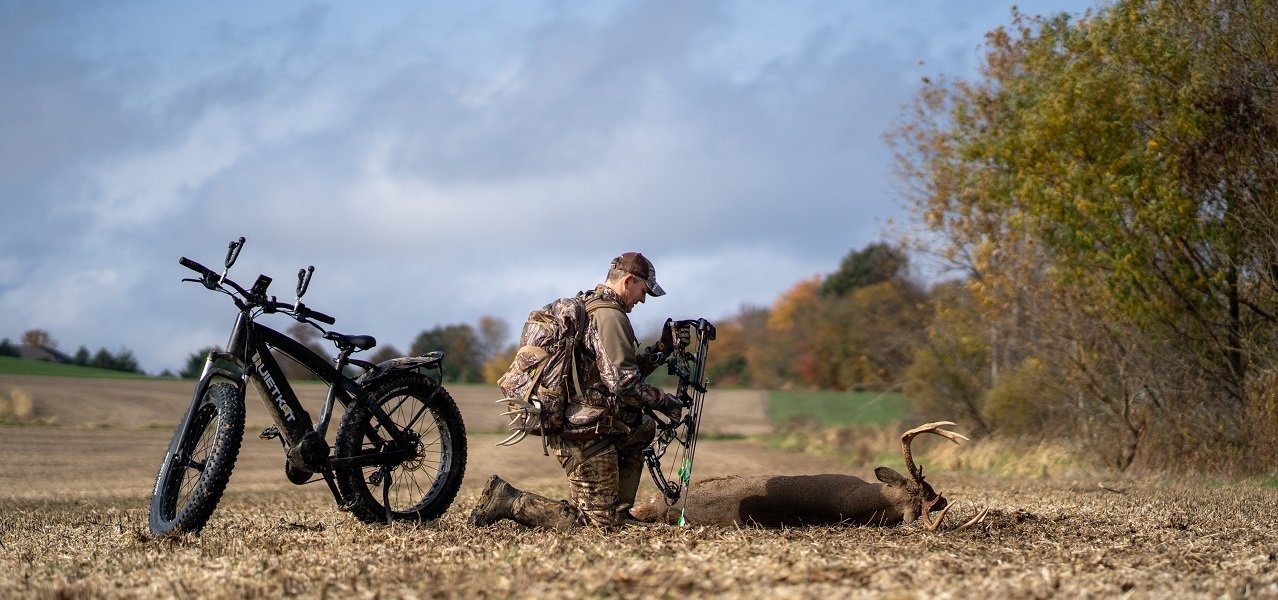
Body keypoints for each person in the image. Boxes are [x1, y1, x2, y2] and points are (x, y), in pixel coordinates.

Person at [469, 252, 688, 529]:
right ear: (629, 281)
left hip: (593, 423)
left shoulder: (594, 307)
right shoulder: (611, 317)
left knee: (642, 427)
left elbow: (610, 374)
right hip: (584, 431)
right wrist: (668, 402)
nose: (643, 299)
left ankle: (617, 509)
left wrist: (661, 351)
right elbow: (624, 385)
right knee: (597, 525)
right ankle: (508, 500)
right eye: (643, 291)